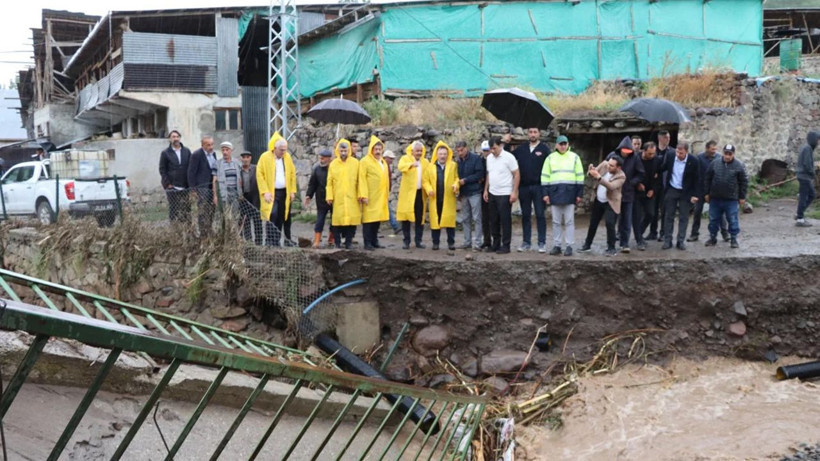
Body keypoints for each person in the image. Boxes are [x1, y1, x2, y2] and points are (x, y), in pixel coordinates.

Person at [542, 135, 584, 256]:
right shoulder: (550, 158)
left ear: (568, 144)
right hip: (554, 193)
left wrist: (579, 194)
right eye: (561, 144)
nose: (563, 146)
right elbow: (545, 176)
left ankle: (569, 246)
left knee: (569, 221)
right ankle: (557, 245)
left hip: (570, 193)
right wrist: (545, 194)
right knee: (556, 222)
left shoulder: (575, 157)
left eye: (565, 144)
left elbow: (580, 176)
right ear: (556, 145)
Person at [512, 127, 550, 253]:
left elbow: (550, 167)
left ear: (539, 133)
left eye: (535, 132)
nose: (533, 134)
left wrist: (548, 189)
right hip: (524, 187)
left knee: (540, 215)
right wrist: (506, 142)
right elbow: (508, 157)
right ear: (527, 134)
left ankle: (542, 243)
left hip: (539, 187)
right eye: (530, 132)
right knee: (525, 215)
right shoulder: (521, 149)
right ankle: (526, 242)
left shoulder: (544, 149)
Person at [580, 156, 626, 256]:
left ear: (618, 168)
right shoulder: (605, 164)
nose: (608, 166)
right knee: (593, 223)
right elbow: (593, 174)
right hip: (599, 199)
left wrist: (598, 177)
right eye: (609, 164)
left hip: (611, 202)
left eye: (612, 166)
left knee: (610, 224)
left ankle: (611, 248)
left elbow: (611, 186)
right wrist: (591, 171)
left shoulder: (621, 176)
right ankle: (587, 245)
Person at [704, 144, 748, 249]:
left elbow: (743, 182)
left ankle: (733, 239)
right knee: (713, 219)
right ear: (723, 153)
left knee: (732, 219)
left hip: (731, 199)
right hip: (715, 198)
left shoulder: (739, 165)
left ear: (733, 154)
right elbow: (707, 178)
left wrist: (742, 197)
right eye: (726, 153)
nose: (727, 156)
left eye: (730, 154)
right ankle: (713, 237)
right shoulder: (714, 163)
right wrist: (706, 193)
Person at [257, 133, 297, 247]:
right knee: (272, 214)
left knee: (282, 215)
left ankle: (278, 240)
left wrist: (292, 191)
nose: (284, 152)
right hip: (271, 192)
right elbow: (260, 175)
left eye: (285, 150)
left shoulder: (287, 157)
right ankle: (270, 239)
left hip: (284, 192)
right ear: (275, 148)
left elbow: (292, 174)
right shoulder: (264, 157)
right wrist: (265, 192)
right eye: (281, 150)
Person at [606, 136, 644, 253]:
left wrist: (632, 183)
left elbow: (640, 173)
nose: (626, 154)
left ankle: (625, 243)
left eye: (628, 152)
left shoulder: (635, 157)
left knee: (627, 220)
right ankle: (611, 244)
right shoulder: (612, 156)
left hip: (628, 193)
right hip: (614, 193)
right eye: (624, 151)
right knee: (611, 221)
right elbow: (605, 170)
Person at [660, 141, 700, 250]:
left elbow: (697, 179)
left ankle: (680, 241)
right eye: (677, 152)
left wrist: (695, 195)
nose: (678, 155)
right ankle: (667, 240)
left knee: (684, 216)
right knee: (669, 215)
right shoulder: (670, 156)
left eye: (681, 153)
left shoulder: (694, 161)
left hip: (686, 191)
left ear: (686, 152)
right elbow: (663, 167)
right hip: (672, 188)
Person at [484, 137, 520, 254]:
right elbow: (489, 174)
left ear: (500, 145)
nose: (492, 151)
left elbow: (516, 174)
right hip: (492, 192)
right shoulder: (489, 158)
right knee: (493, 220)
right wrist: (486, 190)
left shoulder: (509, 157)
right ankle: (495, 244)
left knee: (505, 220)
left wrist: (514, 192)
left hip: (505, 193)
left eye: (494, 148)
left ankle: (506, 245)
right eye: (491, 149)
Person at [689, 140, 728, 242]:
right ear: (707, 148)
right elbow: (696, 174)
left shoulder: (719, 158)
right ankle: (694, 234)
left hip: (714, 189)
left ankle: (725, 233)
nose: (714, 151)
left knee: (720, 212)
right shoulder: (699, 158)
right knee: (697, 211)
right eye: (712, 149)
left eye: (715, 149)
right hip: (701, 189)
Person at [326, 139, 361, 248]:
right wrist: (329, 196)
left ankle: (348, 242)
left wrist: (361, 194)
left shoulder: (355, 163)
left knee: (352, 220)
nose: (343, 153)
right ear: (338, 151)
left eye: (345, 151)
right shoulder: (333, 164)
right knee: (337, 221)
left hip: (352, 196)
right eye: (341, 151)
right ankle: (337, 243)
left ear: (349, 150)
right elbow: (329, 182)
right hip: (338, 197)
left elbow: (360, 181)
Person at [358, 135, 390, 250]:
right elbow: (362, 179)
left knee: (377, 220)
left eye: (379, 149)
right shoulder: (365, 161)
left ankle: (374, 241)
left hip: (380, 196)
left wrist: (386, 194)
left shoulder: (383, 162)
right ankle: (367, 243)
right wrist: (363, 195)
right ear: (371, 149)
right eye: (375, 149)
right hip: (370, 196)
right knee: (368, 221)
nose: (377, 151)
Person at [426, 141, 460, 251]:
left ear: (448, 154)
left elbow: (456, 178)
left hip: (448, 198)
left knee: (449, 221)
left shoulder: (453, 165)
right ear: (436, 154)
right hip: (435, 198)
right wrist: (429, 189)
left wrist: (456, 185)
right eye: (440, 154)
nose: (442, 156)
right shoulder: (430, 166)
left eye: (445, 154)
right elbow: (425, 181)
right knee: (435, 221)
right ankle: (435, 243)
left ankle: (451, 243)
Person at [397, 141, 430, 250]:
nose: (419, 153)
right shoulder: (405, 159)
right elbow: (400, 167)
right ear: (412, 151)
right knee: (406, 218)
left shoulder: (425, 162)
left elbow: (428, 176)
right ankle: (406, 241)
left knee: (419, 217)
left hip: (420, 193)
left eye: (421, 151)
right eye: (417, 151)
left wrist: (429, 189)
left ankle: (418, 241)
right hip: (407, 194)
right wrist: (411, 165)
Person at [455, 140, 485, 250]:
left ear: (466, 148)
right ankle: (467, 242)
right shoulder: (458, 161)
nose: (460, 153)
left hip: (475, 192)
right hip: (464, 193)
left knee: (477, 218)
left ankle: (478, 243)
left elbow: (479, 174)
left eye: (461, 150)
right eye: (458, 151)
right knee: (465, 218)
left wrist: (466, 180)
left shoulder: (476, 159)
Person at [158, 130, 191, 224]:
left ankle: (188, 229)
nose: (176, 139)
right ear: (170, 139)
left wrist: (191, 184)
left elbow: (191, 167)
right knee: (174, 210)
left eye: (177, 136)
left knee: (187, 209)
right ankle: (175, 229)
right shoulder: (165, 153)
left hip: (185, 186)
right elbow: (162, 170)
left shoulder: (186, 151)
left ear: (180, 138)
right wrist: (168, 184)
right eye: (173, 137)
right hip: (172, 187)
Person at [188, 135, 218, 237]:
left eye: (212, 144)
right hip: (202, 186)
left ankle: (209, 229)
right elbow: (191, 172)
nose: (211, 147)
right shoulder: (197, 155)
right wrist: (193, 189)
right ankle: (203, 233)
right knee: (203, 210)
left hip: (212, 186)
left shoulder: (213, 154)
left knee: (212, 209)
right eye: (208, 145)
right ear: (202, 145)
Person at [305, 149, 334, 248]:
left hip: (334, 198)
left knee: (334, 219)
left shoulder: (335, 168)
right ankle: (317, 240)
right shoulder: (317, 169)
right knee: (320, 219)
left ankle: (332, 239)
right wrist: (309, 195)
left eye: (323, 158)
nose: (321, 160)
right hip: (321, 198)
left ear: (329, 159)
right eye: (320, 158)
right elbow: (312, 184)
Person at [636, 142, 662, 247]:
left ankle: (639, 233)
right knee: (637, 215)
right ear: (644, 151)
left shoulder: (657, 160)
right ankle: (639, 239)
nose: (652, 156)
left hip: (649, 192)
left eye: (653, 153)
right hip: (636, 192)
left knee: (651, 214)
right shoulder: (636, 158)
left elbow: (658, 177)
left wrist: (653, 190)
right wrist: (637, 183)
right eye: (649, 153)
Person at [653, 130, 675, 241]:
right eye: (666, 137)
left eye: (669, 137)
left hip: (666, 184)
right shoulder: (653, 150)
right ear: (660, 138)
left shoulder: (672, 152)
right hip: (654, 185)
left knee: (665, 210)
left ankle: (663, 233)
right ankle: (652, 232)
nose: (668, 139)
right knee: (653, 210)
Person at [796, 131, 818, 227]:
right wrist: (813, 174)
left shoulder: (805, 147)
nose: (818, 142)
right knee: (804, 197)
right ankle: (800, 219)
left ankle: (799, 213)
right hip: (804, 176)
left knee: (811, 195)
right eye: (818, 140)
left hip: (803, 176)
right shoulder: (807, 148)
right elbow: (807, 164)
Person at [238, 151, 261, 244]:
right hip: (243, 198)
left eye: (247, 157)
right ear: (241, 159)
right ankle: (249, 241)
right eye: (243, 157)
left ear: (250, 158)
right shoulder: (239, 170)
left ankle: (258, 241)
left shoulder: (256, 168)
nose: (245, 159)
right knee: (245, 220)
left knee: (257, 219)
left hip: (255, 197)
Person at [214, 141, 242, 216]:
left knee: (235, 215)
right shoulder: (217, 164)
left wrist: (240, 193)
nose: (225, 152)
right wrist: (215, 196)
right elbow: (214, 181)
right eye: (223, 150)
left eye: (227, 150)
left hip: (235, 194)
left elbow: (240, 179)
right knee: (223, 215)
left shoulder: (237, 163)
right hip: (223, 194)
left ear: (231, 150)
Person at [383, 150, 401, 234]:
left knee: (388, 208)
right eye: (390, 158)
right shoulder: (383, 166)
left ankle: (395, 226)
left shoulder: (386, 167)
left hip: (385, 191)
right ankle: (395, 226)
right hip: (382, 191)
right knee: (388, 208)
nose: (391, 160)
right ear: (386, 158)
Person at [479, 141, 492, 250]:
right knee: (485, 218)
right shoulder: (480, 161)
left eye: (488, 150)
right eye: (484, 151)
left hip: (496, 190)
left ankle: (497, 240)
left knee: (496, 217)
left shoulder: (495, 160)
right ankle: (487, 241)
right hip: (483, 191)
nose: (486, 152)